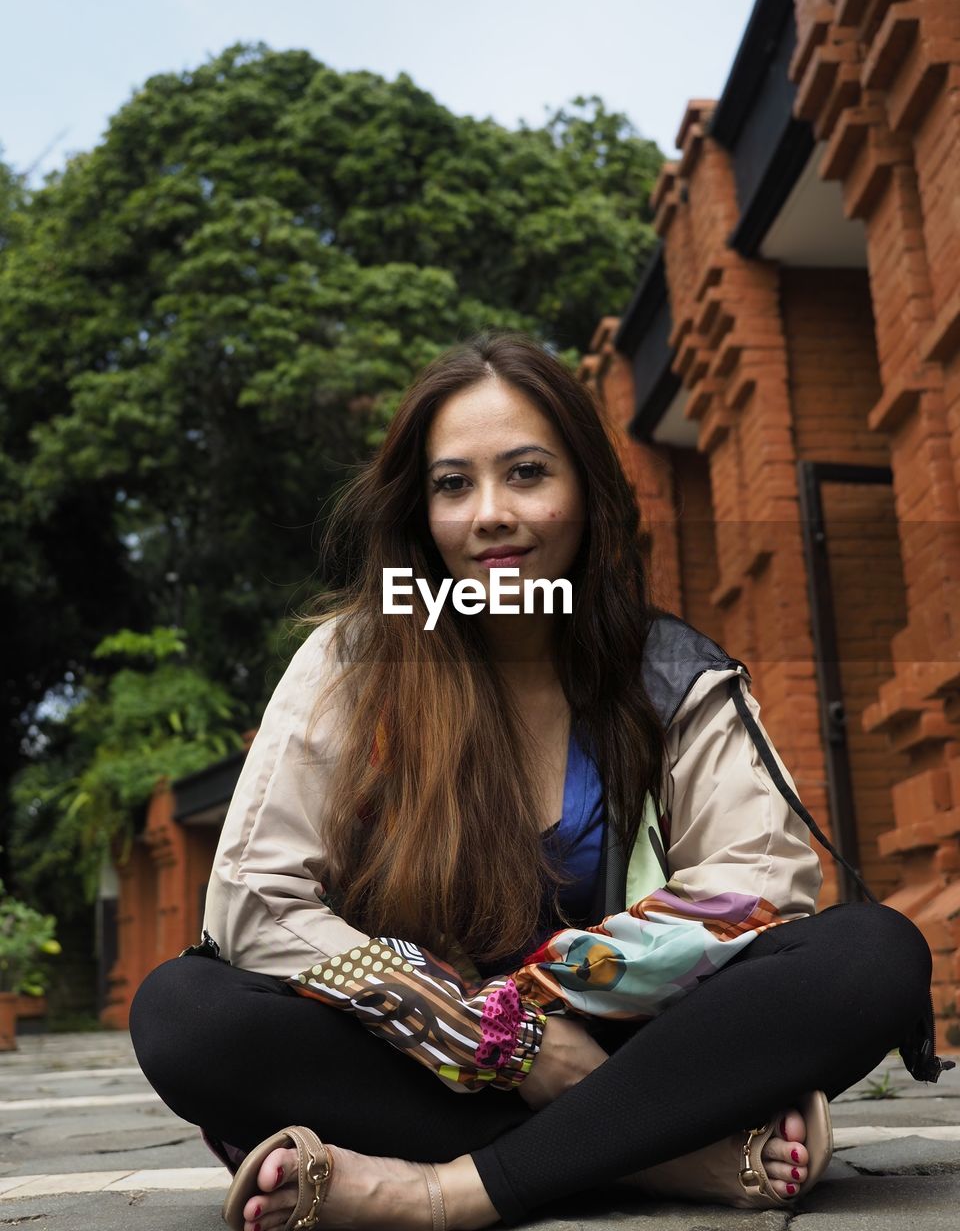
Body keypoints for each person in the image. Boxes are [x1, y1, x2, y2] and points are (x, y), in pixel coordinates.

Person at [130, 332, 944, 1231]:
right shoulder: (355, 661)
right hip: (415, 1045)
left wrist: (536, 1021)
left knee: (872, 955)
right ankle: (662, 1152)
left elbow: (753, 890)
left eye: (526, 473)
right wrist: (492, 1039)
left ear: (588, 495)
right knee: (186, 1014)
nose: (490, 514)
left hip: (630, 1040)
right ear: (420, 512)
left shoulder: (671, 671)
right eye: (453, 484)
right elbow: (255, 898)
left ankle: (446, 1190)